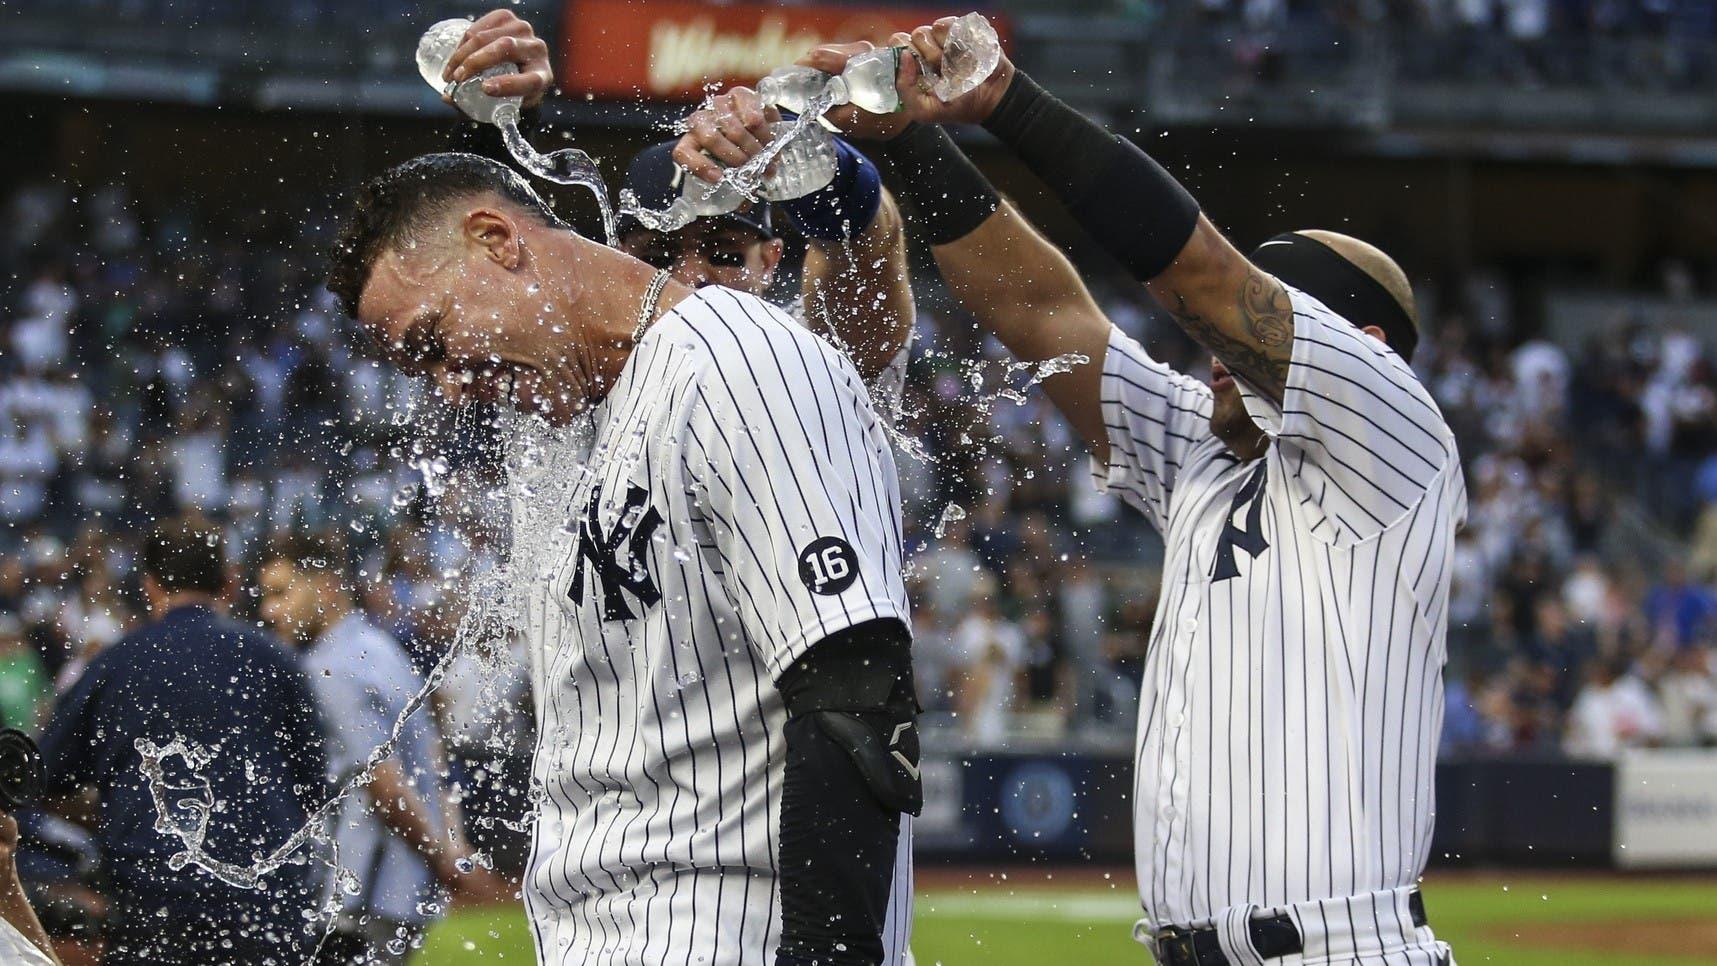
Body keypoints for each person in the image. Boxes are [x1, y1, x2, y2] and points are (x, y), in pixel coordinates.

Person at [772, 20, 1466, 963]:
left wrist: (1005, 103)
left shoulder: (1393, 434)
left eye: (1245, 334)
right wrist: (908, 139)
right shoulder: (1206, 454)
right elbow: (1040, 310)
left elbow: (1207, 280)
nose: (1213, 353)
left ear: (1363, 351)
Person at [324, 148, 918, 966]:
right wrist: (512, 118)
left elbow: (854, 686)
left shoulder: (736, 354)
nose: (446, 385)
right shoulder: (571, 418)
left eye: (433, 341)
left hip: (734, 936)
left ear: (497, 240)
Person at [37, 517, 329, 964]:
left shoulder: (114, 665)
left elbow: (43, 781)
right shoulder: (276, 660)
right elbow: (314, 791)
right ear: (231, 582)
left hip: (153, 911)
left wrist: (116, 810)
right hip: (265, 910)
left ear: (150, 586)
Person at [258, 534, 507, 964]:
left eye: (281, 592)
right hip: (402, 887)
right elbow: (433, 755)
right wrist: (452, 846)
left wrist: (446, 865)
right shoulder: (382, 646)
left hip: (360, 893)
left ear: (326, 585)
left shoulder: (327, 665)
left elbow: (384, 784)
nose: (269, 610)